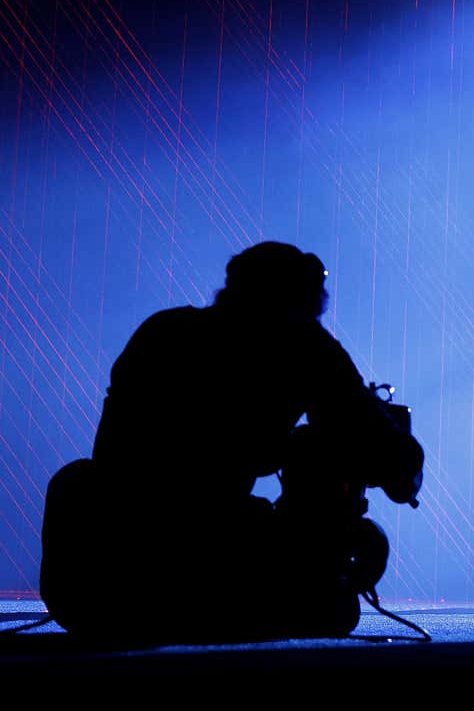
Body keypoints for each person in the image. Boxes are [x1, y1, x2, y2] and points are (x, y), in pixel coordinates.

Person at [38, 241, 423, 643]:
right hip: (203, 558)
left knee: (78, 481)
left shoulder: (163, 331)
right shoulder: (305, 349)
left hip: (92, 585)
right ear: (305, 302)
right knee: (332, 607)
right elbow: (389, 458)